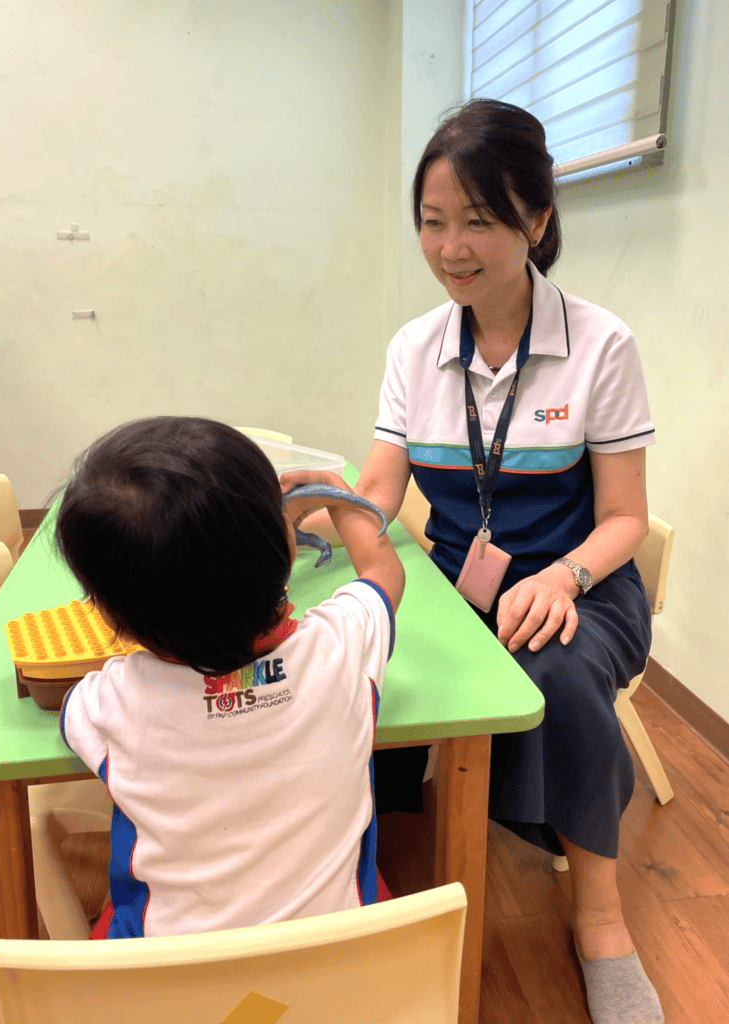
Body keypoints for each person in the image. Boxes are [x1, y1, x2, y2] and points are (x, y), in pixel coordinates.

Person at [305, 99, 662, 1024]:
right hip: (460, 585)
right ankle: (377, 867)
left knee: (558, 669)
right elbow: (382, 483)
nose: (450, 248)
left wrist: (562, 576)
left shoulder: (600, 344)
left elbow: (626, 517)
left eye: (478, 220)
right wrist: (325, 506)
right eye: (431, 221)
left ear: (536, 220)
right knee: (363, 648)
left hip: (580, 583)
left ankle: (599, 920)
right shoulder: (414, 348)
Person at [55, 416, 404, 939]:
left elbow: (77, 710)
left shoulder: (103, 704)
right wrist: (338, 495)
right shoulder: (342, 647)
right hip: (340, 975)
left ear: (105, 612)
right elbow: (382, 573)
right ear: (287, 552)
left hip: (165, 985)